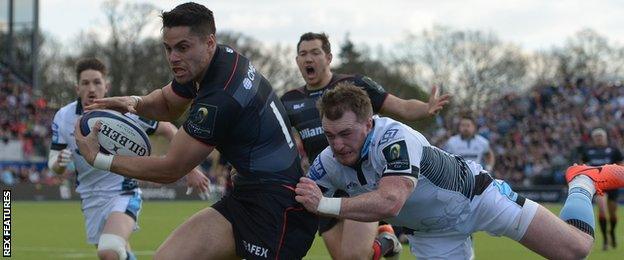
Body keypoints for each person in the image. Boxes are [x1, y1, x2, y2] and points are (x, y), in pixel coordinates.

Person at [75, 3, 317, 259]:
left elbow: (171, 169)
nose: (173, 57)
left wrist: (98, 159)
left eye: (182, 47)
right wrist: (135, 103)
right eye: (168, 48)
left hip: (279, 210)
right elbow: (167, 104)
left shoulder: (219, 98)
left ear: (209, 42)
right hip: (247, 196)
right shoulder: (219, 59)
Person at [294, 83, 624, 259]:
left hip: (479, 199)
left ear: (368, 124)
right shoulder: (328, 161)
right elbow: (295, 197)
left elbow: (390, 202)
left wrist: (322, 204)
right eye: (329, 135)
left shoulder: (394, 138)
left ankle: (583, 180)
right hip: (432, 235)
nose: (337, 145)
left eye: (346, 134)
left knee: (575, 250)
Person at [280, 32, 450, 260]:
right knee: (344, 258)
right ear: (297, 61)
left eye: (315, 52)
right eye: (302, 54)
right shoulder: (289, 100)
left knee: (354, 257)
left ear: (328, 57)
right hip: (325, 182)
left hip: (360, 183)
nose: (308, 58)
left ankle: (385, 239)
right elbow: (275, 140)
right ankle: (387, 242)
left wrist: (424, 108)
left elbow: (399, 107)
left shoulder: (354, 85)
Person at [48, 57, 209, 260]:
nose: (91, 88)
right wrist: (58, 164)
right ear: (76, 88)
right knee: (118, 252)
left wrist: (191, 168)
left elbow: (167, 128)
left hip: (123, 192)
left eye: (97, 82)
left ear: (106, 86)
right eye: (85, 83)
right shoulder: (63, 117)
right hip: (90, 197)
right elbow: (53, 162)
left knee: (109, 251)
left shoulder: (123, 111)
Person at [578, 127, 623, 250]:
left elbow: (621, 166)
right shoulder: (588, 151)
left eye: (601, 137)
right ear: (593, 139)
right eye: (596, 137)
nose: (599, 139)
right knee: (602, 210)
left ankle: (612, 232)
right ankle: (605, 240)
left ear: (605, 138)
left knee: (612, 213)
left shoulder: (614, 150)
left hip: (612, 185)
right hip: (598, 185)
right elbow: (582, 166)